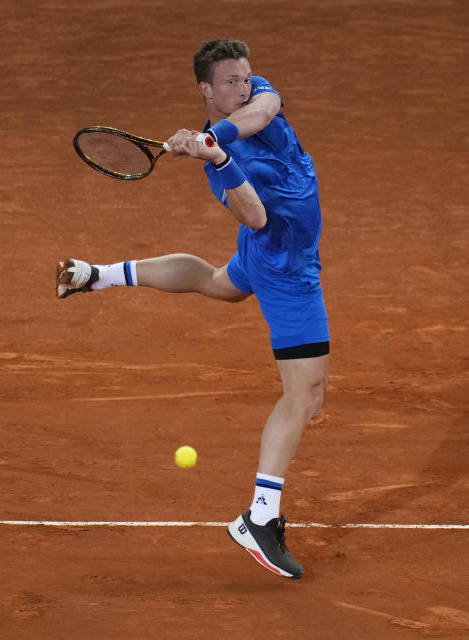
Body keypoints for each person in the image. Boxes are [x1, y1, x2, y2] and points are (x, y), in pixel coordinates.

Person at [56, 38, 328, 580]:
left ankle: (96, 275)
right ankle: (260, 517)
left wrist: (211, 137)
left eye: (245, 76)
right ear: (205, 89)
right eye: (230, 82)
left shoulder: (253, 101)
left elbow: (264, 109)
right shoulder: (218, 167)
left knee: (219, 282)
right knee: (306, 395)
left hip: (272, 255)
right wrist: (220, 158)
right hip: (285, 267)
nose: (244, 86)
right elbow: (254, 217)